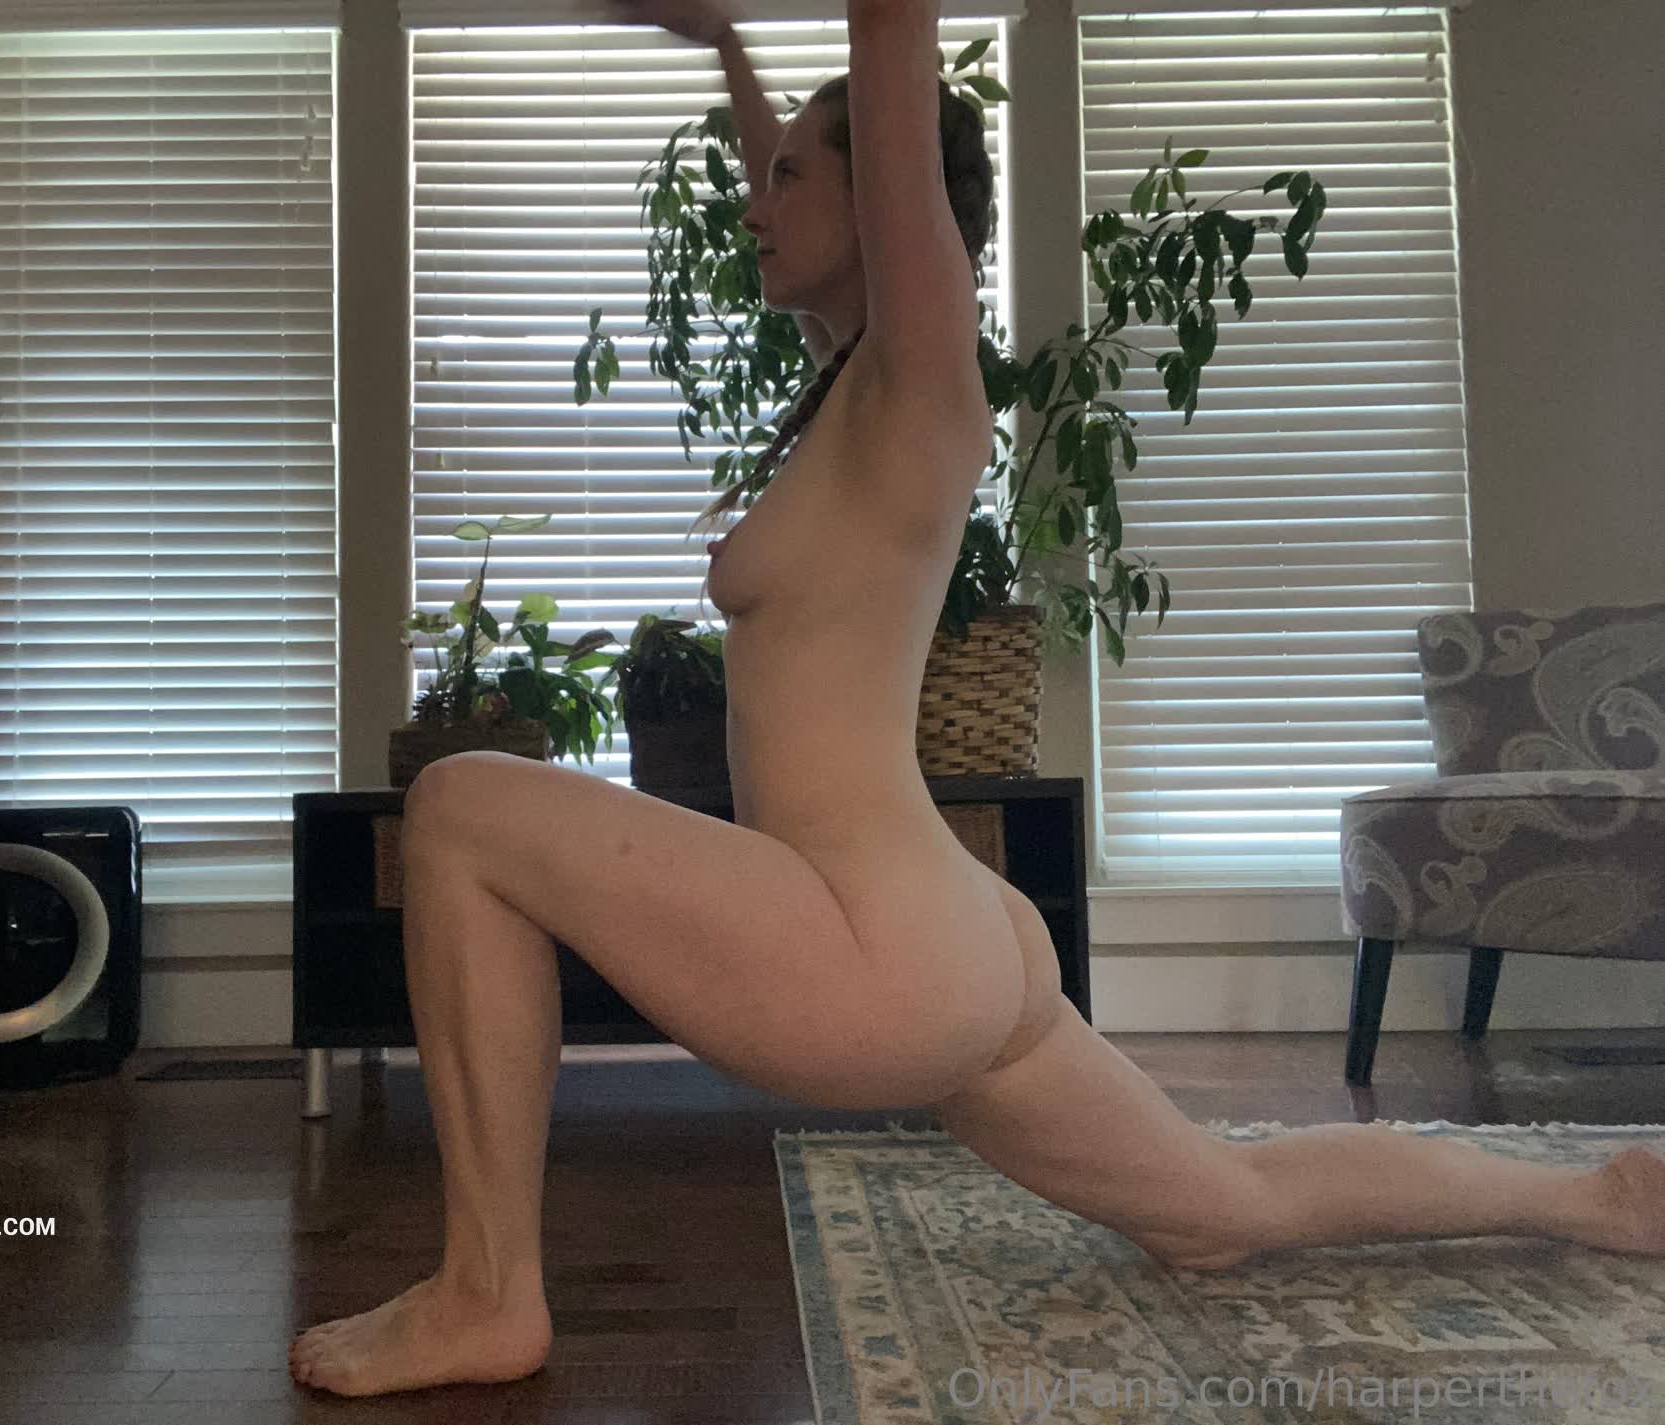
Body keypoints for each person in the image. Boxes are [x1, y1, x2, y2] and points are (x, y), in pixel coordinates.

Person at [289, 0, 1665, 1397]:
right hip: (948, 933)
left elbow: (890, 71)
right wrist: (730, 54)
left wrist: (860, 73)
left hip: (872, 939)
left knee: (458, 808)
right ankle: (1591, 1198)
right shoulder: (851, 388)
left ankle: (487, 1294)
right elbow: (824, 180)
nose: (756, 201)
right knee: (1219, 1211)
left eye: (791, 177)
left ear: (886, 203)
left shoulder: (923, 381)